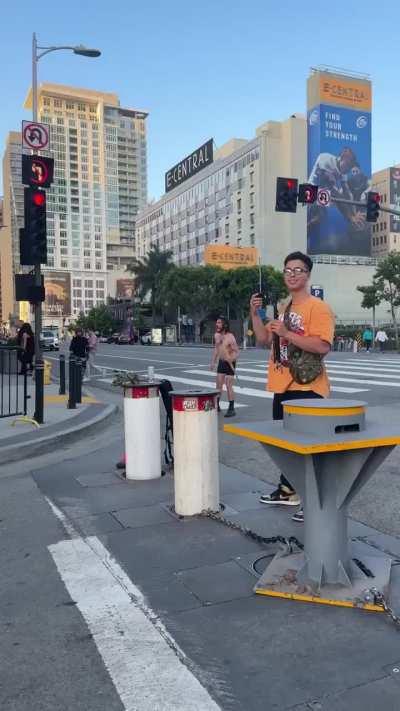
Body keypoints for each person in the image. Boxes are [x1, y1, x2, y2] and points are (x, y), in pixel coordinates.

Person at [250, 251, 335, 523]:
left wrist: (288, 334)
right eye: (288, 270)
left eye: (298, 270)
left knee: (307, 448)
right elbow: (263, 340)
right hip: (282, 384)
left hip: (307, 385)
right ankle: (289, 491)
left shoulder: (317, 307)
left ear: (308, 275)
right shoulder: (283, 308)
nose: (292, 274)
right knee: (287, 446)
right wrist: (254, 313)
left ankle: (313, 502)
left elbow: (322, 346)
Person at [211, 317, 239, 418]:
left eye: (219, 323)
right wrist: (213, 362)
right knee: (218, 385)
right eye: (216, 322)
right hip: (222, 362)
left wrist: (232, 359)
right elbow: (216, 349)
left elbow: (236, 351)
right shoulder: (216, 335)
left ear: (224, 325)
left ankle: (231, 408)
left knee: (228, 385)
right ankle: (216, 405)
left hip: (230, 362)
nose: (217, 324)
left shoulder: (230, 337)